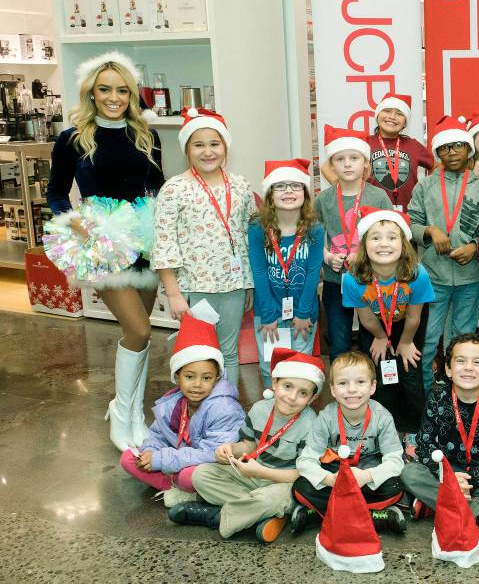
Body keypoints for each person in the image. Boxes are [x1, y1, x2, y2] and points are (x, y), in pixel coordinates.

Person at [46, 51, 164, 451]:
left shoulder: (147, 134)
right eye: (105, 89)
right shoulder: (72, 138)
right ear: (91, 93)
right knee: (139, 329)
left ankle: (132, 412)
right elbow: (56, 193)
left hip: (144, 242)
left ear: (132, 94)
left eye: (122, 90)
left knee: (141, 335)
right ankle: (120, 411)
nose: (114, 97)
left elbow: (157, 187)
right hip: (103, 241)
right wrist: (78, 225)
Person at [171, 349, 323, 544]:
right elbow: (249, 445)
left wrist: (261, 472)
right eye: (287, 386)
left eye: (302, 393)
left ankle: (216, 516)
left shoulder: (311, 425)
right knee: (201, 475)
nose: (292, 397)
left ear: (311, 399)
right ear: (274, 384)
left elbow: (302, 474)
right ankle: (257, 512)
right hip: (253, 474)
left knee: (273, 499)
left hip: (285, 483)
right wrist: (230, 449)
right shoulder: (260, 409)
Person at [153, 108, 257, 387]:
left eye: (215, 143)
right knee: (197, 355)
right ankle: (199, 414)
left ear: (225, 147)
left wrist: (249, 284)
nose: (208, 151)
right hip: (193, 287)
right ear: (186, 150)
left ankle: (228, 413)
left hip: (234, 286)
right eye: (198, 145)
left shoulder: (240, 186)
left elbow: (250, 237)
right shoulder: (174, 189)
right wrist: (174, 294)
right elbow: (164, 244)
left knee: (229, 353)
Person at [119, 306, 245, 507]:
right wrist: (150, 452)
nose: (197, 384)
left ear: (217, 378)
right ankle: (179, 490)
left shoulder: (224, 408)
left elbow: (211, 453)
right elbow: (157, 435)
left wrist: (160, 460)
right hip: (179, 460)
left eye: (206, 378)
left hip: (210, 468)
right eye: (189, 376)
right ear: (177, 377)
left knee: (189, 476)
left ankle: (183, 487)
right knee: (128, 459)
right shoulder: (173, 401)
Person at [400, 333, 479, 531]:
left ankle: (436, 504)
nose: (468, 367)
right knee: (410, 473)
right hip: (444, 469)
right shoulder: (437, 396)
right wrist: (447, 477)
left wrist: (473, 480)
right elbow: (425, 444)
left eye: (477, 362)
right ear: (448, 369)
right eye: (461, 361)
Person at [408, 116, 479, 392]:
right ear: (438, 153)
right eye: (444, 148)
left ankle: (458, 397)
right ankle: (430, 397)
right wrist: (430, 231)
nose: (451, 152)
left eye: (458, 146)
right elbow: (410, 222)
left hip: (469, 277)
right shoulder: (425, 186)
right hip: (433, 277)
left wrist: (475, 247)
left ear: (469, 149)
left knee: (462, 339)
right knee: (429, 340)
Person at [291, 350, 407, 536]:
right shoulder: (325, 417)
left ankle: (320, 514)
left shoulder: (383, 417)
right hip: (334, 472)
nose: (352, 389)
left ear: (372, 387)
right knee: (300, 487)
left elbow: (395, 460)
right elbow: (305, 460)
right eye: (343, 383)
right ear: (333, 389)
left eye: (360, 382)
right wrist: (329, 479)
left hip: (367, 471)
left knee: (395, 487)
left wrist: (367, 476)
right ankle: (374, 516)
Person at [343, 207, 434, 435]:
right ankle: (386, 428)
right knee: (382, 375)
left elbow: (415, 316)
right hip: (375, 326)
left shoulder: (417, 273)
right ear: (364, 244)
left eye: (392, 238)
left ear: (403, 244)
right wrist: (381, 337)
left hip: (409, 326)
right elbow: (364, 317)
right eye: (376, 238)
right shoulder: (353, 278)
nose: (384, 244)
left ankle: (416, 430)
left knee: (410, 372)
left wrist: (405, 342)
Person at [316, 125, 393, 360]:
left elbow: (392, 235)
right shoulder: (323, 199)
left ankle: (373, 391)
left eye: (354, 158)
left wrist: (363, 257)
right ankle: (341, 391)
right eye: (340, 159)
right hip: (334, 281)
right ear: (331, 165)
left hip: (373, 280)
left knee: (373, 339)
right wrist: (327, 257)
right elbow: (314, 237)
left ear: (365, 164)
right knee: (339, 341)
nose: (347, 164)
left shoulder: (378, 197)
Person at [249, 159, 324, 387]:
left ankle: (298, 412)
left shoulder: (315, 228)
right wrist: (269, 315)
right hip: (268, 309)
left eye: (295, 185)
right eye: (280, 186)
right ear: (270, 195)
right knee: (269, 364)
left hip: (303, 311)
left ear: (305, 193)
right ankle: (271, 408)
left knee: (300, 364)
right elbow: (259, 272)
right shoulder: (257, 227)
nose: (288, 191)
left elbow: (312, 273)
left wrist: (302, 313)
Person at [365, 93, 435, 212]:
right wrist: (348, 190)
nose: (392, 116)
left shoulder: (413, 145)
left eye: (399, 113)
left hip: (408, 213)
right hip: (371, 213)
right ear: (377, 116)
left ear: (405, 122)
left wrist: (429, 189)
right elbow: (327, 166)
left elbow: (436, 166)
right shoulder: (364, 143)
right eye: (387, 111)